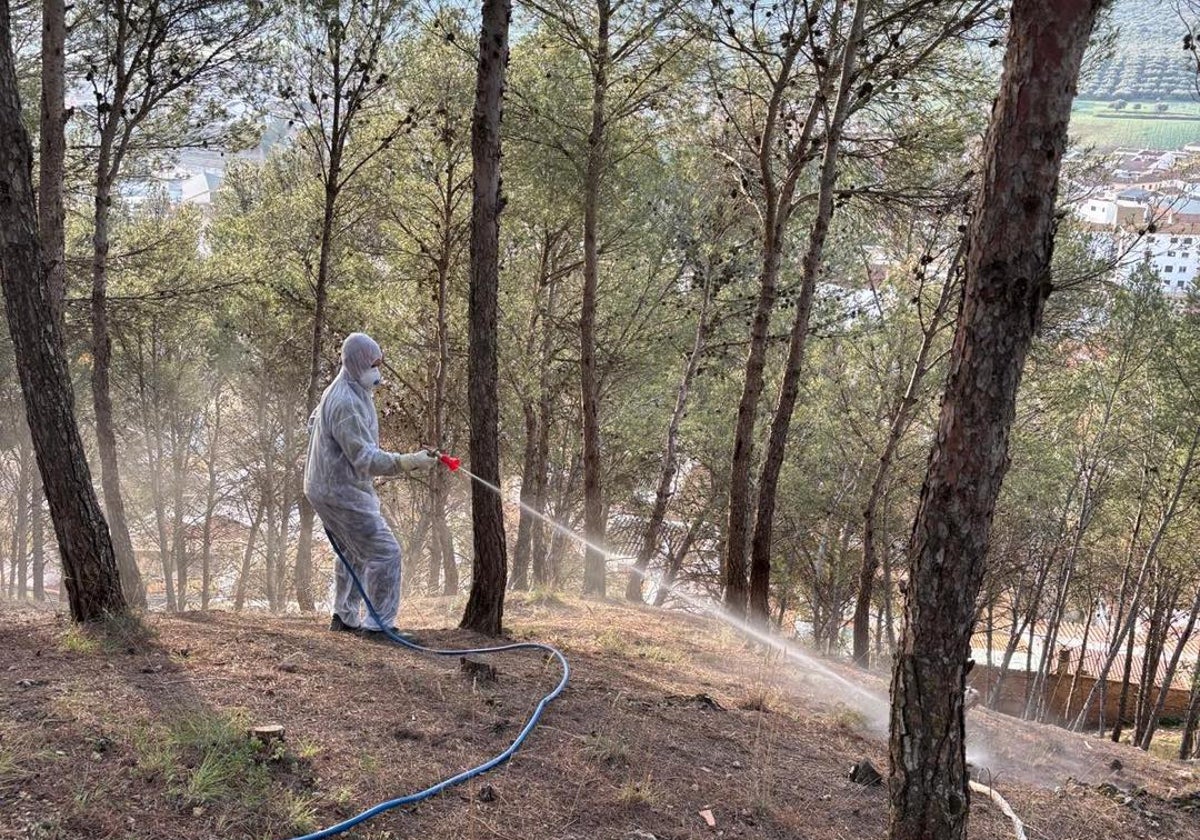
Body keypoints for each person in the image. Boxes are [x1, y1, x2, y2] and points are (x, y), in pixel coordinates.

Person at [304, 332, 438, 638]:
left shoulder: (346, 388)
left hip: (326, 486)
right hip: (339, 490)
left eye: (379, 364)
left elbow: (313, 423)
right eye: (373, 364)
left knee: (352, 551)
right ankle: (378, 627)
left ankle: (345, 617)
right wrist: (408, 461)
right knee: (384, 552)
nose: (377, 371)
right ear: (357, 363)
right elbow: (365, 459)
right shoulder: (346, 401)